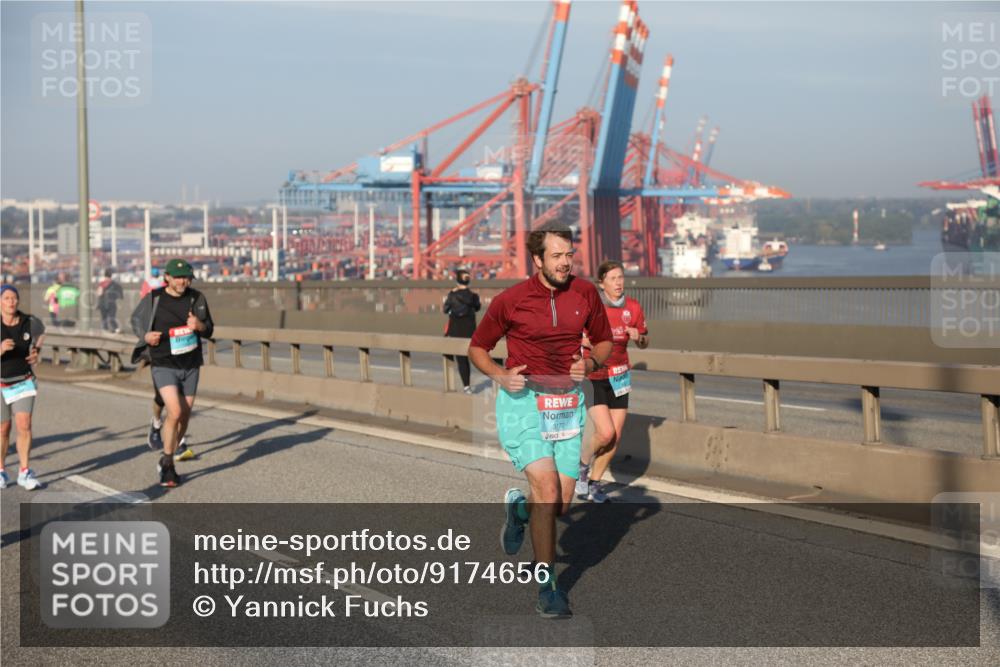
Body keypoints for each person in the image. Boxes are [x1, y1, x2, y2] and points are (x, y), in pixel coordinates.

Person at [468, 224, 613, 618]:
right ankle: (549, 587)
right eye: (556, 256)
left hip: (566, 404)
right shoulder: (511, 301)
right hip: (524, 402)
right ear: (537, 260)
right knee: (547, 490)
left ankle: (519, 511)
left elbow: (604, 340)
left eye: (569, 255)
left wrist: (592, 361)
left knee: (561, 505)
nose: (565, 262)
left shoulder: (584, 293)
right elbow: (477, 348)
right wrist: (500, 376)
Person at [130, 259, 213, 487]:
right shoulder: (155, 298)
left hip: (191, 364)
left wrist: (199, 326)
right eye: (177, 277)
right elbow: (136, 321)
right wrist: (146, 336)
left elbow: (209, 328)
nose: (182, 281)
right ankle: (168, 465)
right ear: (167, 277)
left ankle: (167, 454)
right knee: (174, 412)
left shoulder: (196, 298)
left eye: (186, 277)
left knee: (184, 416)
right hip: (163, 362)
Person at [577, 260, 649, 503]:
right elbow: (572, 335)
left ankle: (595, 483)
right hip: (594, 375)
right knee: (605, 432)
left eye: (621, 278)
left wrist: (639, 337)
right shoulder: (591, 307)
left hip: (619, 376)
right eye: (613, 279)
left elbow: (645, 340)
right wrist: (585, 341)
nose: (618, 283)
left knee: (615, 436)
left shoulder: (633, 307)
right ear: (601, 283)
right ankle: (582, 467)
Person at [1, 285, 45, 490]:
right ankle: (1, 470)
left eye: (14, 298)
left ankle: (24, 472)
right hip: (0, 383)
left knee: (24, 424)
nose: (11, 301)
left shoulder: (29, 322)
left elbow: (41, 333)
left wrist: (36, 351)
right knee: (3, 429)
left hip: (23, 380)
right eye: (6, 298)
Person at [443, 268, 481, 394]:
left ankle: (466, 386)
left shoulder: (452, 295)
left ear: (457, 280)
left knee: (461, 359)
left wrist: (452, 295)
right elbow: (477, 308)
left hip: (455, 330)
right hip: (470, 330)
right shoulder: (474, 296)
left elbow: (445, 309)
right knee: (474, 356)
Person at [97, 269, 124, 333]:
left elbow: (99, 293)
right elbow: (120, 295)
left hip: (102, 303)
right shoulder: (116, 284)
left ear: (104, 276)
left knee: (104, 317)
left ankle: (105, 329)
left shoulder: (102, 284)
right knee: (112, 316)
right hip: (112, 303)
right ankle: (116, 329)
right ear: (111, 276)